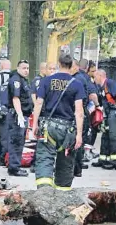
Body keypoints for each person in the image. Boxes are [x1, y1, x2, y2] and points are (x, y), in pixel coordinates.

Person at [32, 53, 85, 190]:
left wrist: (34, 124)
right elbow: (79, 112)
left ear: (59, 64)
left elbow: (38, 103)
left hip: (48, 128)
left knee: (44, 158)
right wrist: (79, 135)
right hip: (68, 131)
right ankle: (62, 194)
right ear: (71, 66)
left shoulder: (46, 81)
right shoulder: (77, 84)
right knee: (66, 162)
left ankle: (44, 192)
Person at [71, 59, 100, 176]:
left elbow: (92, 94)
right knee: (79, 140)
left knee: (76, 140)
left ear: (77, 67)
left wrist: (97, 106)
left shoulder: (78, 78)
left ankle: (75, 168)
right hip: (82, 111)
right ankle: (77, 167)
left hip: (78, 112)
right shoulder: (85, 78)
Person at [92, 69, 116, 170]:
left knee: (114, 136)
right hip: (107, 113)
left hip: (113, 113)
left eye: (95, 76)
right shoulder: (100, 87)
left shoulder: (109, 83)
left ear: (100, 76)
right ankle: (103, 159)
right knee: (105, 136)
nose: (94, 78)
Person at [7, 60, 33, 177]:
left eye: (27, 68)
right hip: (17, 115)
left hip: (22, 115)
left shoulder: (23, 80)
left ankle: (15, 166)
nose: (26, 70)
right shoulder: (16, 80)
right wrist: (20, 115)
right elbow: (15, 98)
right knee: (16, 142)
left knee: (20, 141)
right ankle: (14, 168)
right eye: (24, 68)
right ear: (18, 68)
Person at [29, 62, 47, 173]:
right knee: (40, 138)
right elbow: (33, 95)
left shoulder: (44, 80)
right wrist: (37, 109)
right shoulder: (38, 81)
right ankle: (35, 162)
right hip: (41, 113)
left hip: (44, 112)